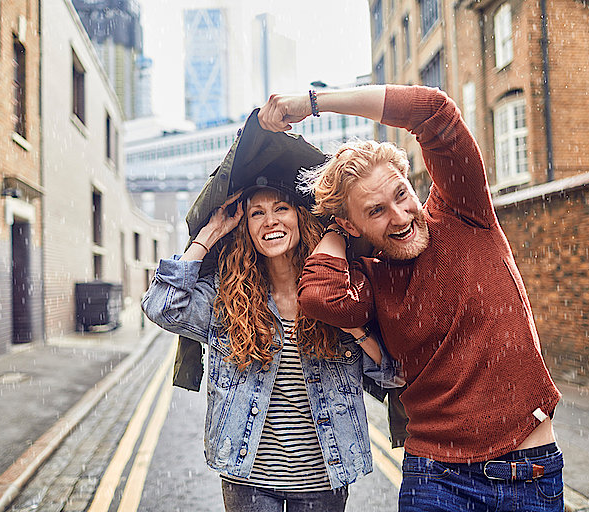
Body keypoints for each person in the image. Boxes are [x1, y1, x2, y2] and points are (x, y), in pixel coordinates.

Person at [258, 84, 564, 512]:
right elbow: (320, 298)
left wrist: (313, 104)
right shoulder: (370, 279)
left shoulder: (464, 212)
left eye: (401, 194)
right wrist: (332, 231)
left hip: (525, 472)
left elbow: (433, 110)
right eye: (375, 210)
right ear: (351, 225)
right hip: (434, 476)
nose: (400, 217)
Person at [141, 181, 398, 512]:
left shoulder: (338, 289)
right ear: (245, 227)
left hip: (323, 479)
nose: (270, 221)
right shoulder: (227, 299)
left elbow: (393, 376)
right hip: (249, 480)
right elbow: (161, 306)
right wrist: (209, 234)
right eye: (256, 213)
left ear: (300, 217)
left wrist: (351, 325)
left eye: (281, 208)